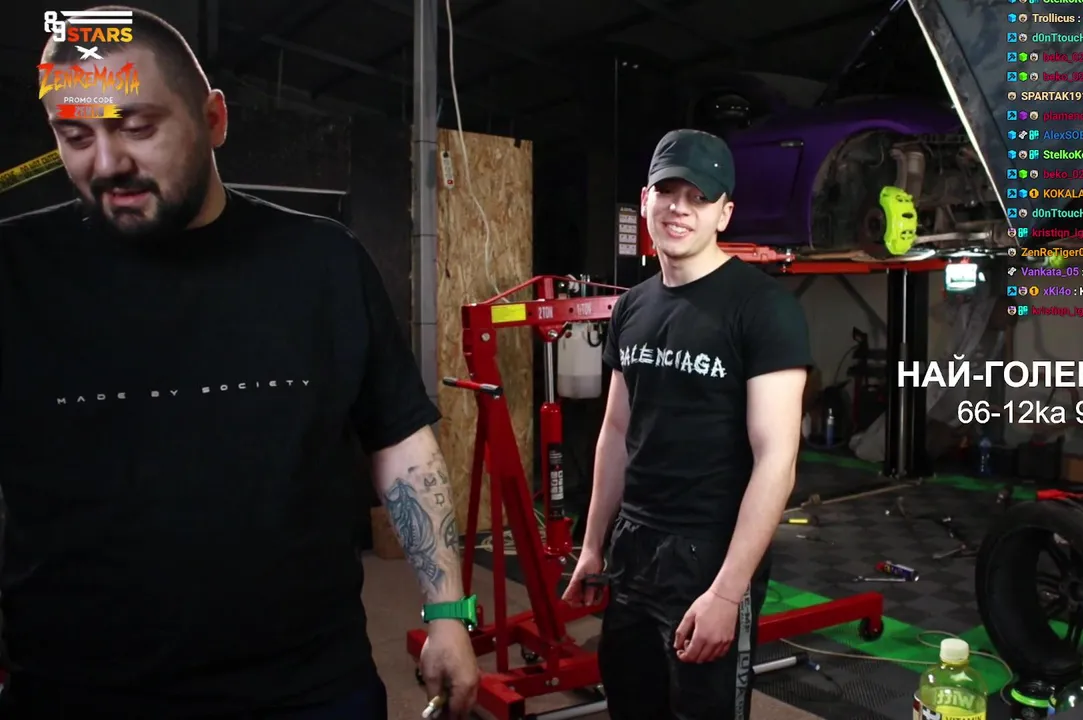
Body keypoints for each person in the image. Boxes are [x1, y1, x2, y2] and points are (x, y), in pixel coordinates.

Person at [0, 7, 478, 719]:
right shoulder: (14, 271)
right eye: (75, 136)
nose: (107, 163)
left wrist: (448, 611)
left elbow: (399, 441)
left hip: (309, 688)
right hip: (72, 690)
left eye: (137, 127)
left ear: (214, 119)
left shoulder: (322, 261)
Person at [563, 129, 812, 719]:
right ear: (645, 200)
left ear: (724, 213)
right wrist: (593, 545)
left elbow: (777, 459)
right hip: (633, 547)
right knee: (631, 702)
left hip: (709, 553)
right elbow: (616, 433)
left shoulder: (764, 308)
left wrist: (727, 591)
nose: (680, 208)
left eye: (699, 197)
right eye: (668, 191)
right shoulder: (632, 307)